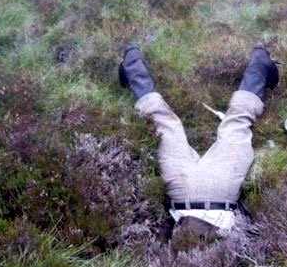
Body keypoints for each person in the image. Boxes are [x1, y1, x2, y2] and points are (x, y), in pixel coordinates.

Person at [118, 43, 278, 238]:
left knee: (237, 119)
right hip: (184, 192)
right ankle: (131, 59)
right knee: (164, 122)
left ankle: (260, 62)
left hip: (221, 191)